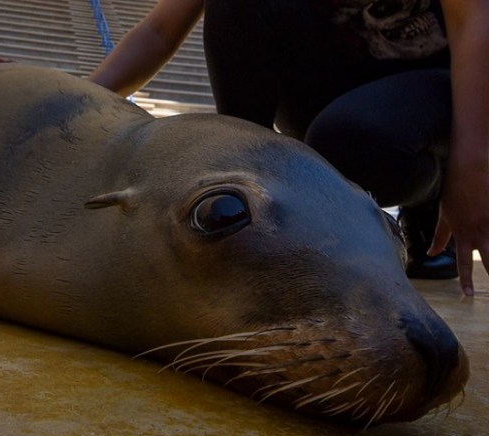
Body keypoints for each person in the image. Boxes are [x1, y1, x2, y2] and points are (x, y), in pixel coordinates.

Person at [89, 0, 488, 296]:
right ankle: (249, 179)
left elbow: (473, 22)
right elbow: (159, 31)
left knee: (353, 138)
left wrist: (472, 166)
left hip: (434, 90)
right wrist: (79, 102)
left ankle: (429, 199)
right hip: (331, 98)